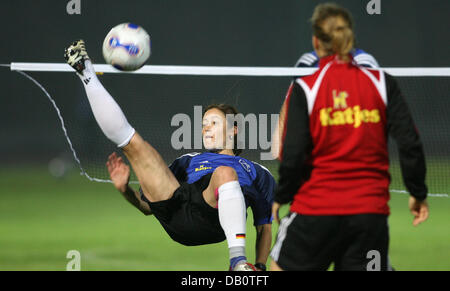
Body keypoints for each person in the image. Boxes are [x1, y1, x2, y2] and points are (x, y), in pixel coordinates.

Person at [64, 41, 274, 271]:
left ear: (235, 128)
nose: (206, 129)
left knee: (225, 173)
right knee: (135, 145)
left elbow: (264, 227)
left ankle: (238, 264)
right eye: (203, 124)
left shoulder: (257, 172)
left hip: (213, 220)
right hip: (177, 215)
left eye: (213, 123)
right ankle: (87, 73)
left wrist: (261, 267)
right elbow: (147, 207)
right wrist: (125, 190)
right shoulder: (187, 161)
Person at [270, 3, 429, 271]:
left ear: (316, 41)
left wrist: (281, 195)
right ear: (350, 38)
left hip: (315, 212)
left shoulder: (306, 88)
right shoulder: (381, 82)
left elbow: (294, 152)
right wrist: (417, 192)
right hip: (369, 217)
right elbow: (409, 143)